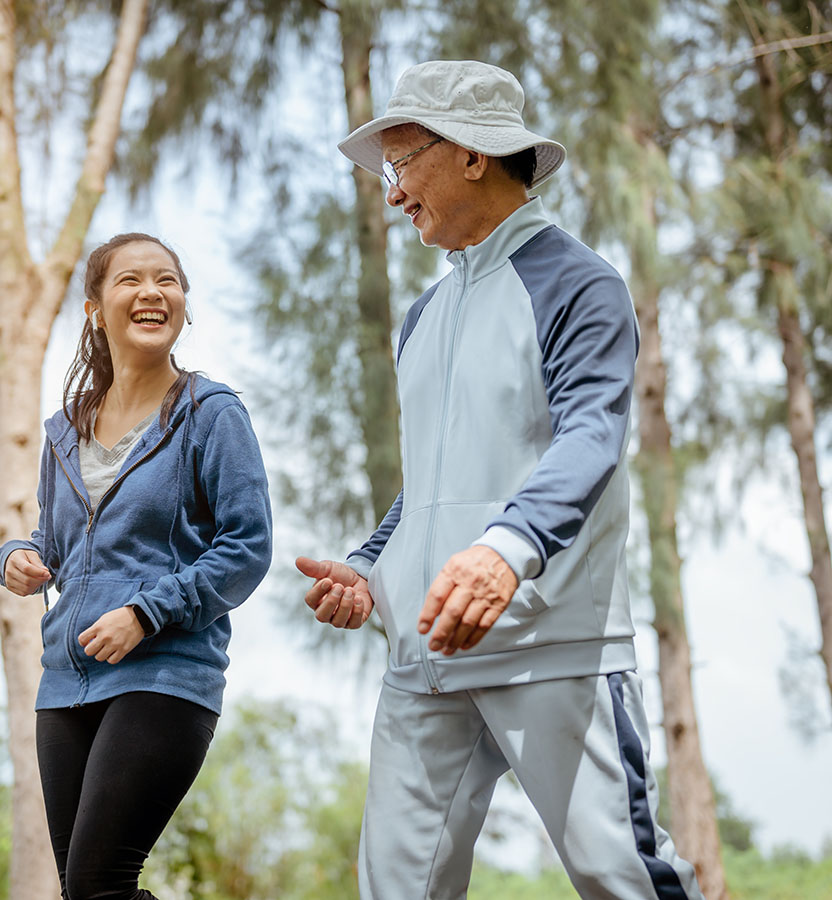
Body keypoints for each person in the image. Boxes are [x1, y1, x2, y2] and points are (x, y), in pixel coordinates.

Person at [297, 60, 705, 899]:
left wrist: (505, 550)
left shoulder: (578, 283)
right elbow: (433, 483)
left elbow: (592, 436)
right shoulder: (425, 315)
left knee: (620, 873)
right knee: (397, 890)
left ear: (474, 154)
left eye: (402, 163)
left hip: (550, 641)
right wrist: (373, 567)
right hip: (424, 650)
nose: (393, 194)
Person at [0, 232, 272, 900]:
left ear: (183, 305)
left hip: (164, 673)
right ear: (94, 309)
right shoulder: (63, 431)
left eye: (167, 280)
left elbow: (246, 547)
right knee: (86, 893)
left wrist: (147, 613)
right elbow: (61, 544)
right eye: (130, 280)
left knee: (98, 881)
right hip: (67, 683)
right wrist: (19, 556)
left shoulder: (211, 414)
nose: (152, 292)